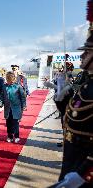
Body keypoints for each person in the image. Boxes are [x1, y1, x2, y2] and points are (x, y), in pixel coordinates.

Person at [55, 27, 93, 187]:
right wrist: (61, 99)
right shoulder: (87, 84)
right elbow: (74, 116)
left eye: (88, 51)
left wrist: (84, 173)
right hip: (72, 162)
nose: (83, 55)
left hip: (84, 170)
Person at [0, 71, 26, 143]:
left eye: (10, 80)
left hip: (16, 108)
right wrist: (0, 105)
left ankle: (16, 136)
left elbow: (23, 97)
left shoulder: (18, 86)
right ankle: (10, 136)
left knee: (15, 123)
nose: (9, 82)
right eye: (8, 80)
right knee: (8, 123)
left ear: (13, 79)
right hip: (7, 108)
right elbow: (2, 97)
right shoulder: (4, 87)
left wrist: (24, 106)